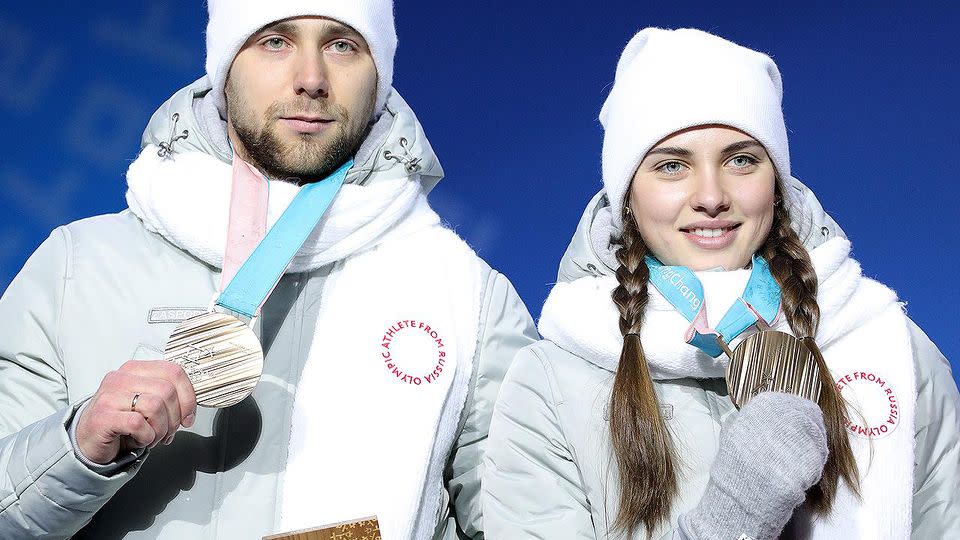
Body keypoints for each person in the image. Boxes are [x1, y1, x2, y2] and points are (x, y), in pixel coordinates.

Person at [0, 1, 536, 538]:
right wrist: (76, 449)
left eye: (342, 45)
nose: (311, 79)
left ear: (379, 75)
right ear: (225, 65)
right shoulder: (78, 266)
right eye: (275, 41)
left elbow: (528, 523)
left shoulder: (467, 297)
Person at [482, 28, 959, 539]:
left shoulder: (893, 349)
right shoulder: (548, 384)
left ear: (776, 180)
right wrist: (730, 520)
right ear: (627, 195)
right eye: (672, 166)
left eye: (741, 160)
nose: (711, 195)